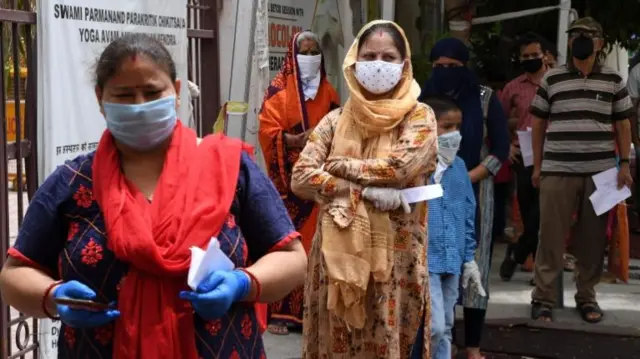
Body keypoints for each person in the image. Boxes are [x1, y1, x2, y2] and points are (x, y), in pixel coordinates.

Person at [0, 34, 308, 359]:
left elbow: (291, 257)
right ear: (100, 99)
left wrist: (244, 283)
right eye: (123, 94)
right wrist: (53, 296)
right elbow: (15, 273)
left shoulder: (229, 169)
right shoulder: (72, 183)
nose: (139, 105)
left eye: (151, 92)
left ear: (175, 92)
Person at [293, 20, 438, 358]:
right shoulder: (335, 120)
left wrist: (340, 167)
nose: (378, 64)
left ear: (404, 65)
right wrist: (358, 190)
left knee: (392, 340)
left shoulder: (420, 118)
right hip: (335, 264)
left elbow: (400, 167)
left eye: (388, 57)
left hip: (395, 265)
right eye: (370, 55)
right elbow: (300, 177)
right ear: (354, 64)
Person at [529, 17, 633, 324]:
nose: (580, 40)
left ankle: (587, 297)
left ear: (600, 43)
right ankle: (543, 298)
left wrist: (624, 164)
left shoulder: (613, 79)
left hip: (601, 173)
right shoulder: (553, 79)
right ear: (569, 43)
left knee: (593, 238)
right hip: (558, 168)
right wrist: (537, 166)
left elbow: (623, 123)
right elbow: (537, 123)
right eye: (574, 36)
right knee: (550, 236)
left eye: (587, 36)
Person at [419, 37, 510, 359]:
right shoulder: (420, 99)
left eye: (452, 67)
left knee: (472, 267)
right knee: (430, 280)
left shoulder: (484, 99)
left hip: (473, 190)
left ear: (465, 67)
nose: (445, 72)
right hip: (426, 188)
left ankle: (472, 346)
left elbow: (502, 148)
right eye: (439, 67)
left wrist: (468, 177)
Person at [258, 30, 340, 335]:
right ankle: (281, 313)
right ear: (292, 57)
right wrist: (294, 140)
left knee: (317, 247)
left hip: (319, 184)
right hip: (287, 185)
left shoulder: (329, 93)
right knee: (287, 244)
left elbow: (339, 129)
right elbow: (268, 133)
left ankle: (311, 311)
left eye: (314, 52)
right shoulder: (277, 93)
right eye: (303, 52)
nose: (309, 57)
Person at [410, 96, 485, 359]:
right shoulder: (415, 166)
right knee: (434, 326)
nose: (455, 134)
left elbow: (467, 211)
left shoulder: (459, 167)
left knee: (447, 326)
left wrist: (469, 259)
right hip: (425, 259)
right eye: (447, 126)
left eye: (457, 127)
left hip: (452, 259)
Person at [499, 32, 552, 282]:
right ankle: (527, 258)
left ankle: (519, 254)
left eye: (535, 55)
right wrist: (507, 146)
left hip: (554, 155)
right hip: (524, 155)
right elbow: (498, 119)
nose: (531, 59)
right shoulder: (514, 87)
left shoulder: (557, 82)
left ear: (545, 56)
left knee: (545, 213)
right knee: (530, 209)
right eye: (525, 56)